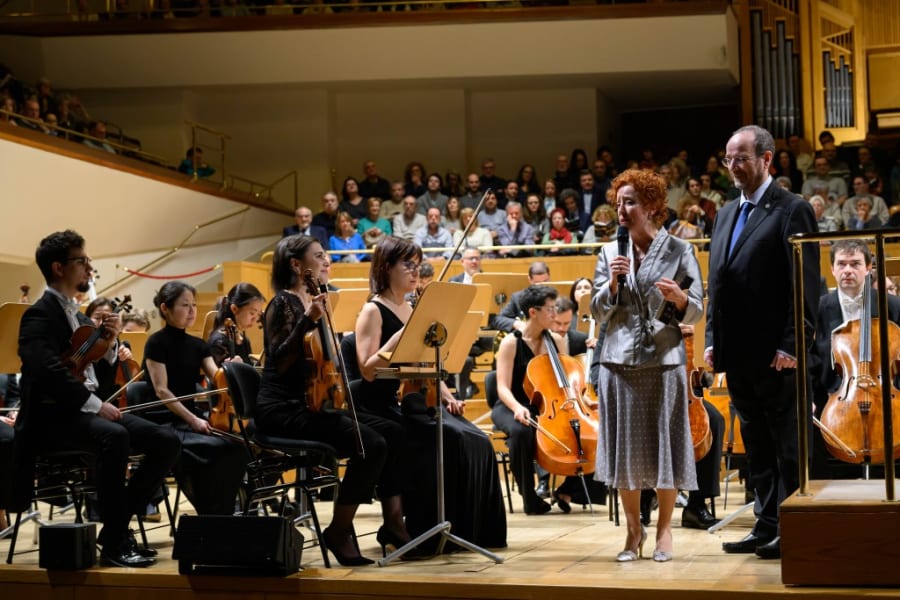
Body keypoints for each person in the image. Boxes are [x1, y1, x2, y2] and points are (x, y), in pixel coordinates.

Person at [16, 230, 180, 567]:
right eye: (82, 261)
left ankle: (114, 530)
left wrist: (108, 346)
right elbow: (47, 372)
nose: (89, 268)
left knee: (166, 440)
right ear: (59, 267)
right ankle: (117, 541)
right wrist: (95, 405)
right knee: (114, 436)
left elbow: (96, 379)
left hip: (81, 415)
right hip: (49, 421)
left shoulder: (78, 316)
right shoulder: (38, 315)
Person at [254, 235, 413, 565]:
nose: (326, 260)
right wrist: (308, 319)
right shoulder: (283, 303)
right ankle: (339, 530)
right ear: (296, 265)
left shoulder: (315, 301)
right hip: (283, 409)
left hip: (314, 404)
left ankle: (394, 523)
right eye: (318, 256)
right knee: (372, 444)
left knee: (394, 432)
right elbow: (278, 360)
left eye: (325, 255)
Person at [705, 125, 819, 560]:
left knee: (787, 447)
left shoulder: (792, 209)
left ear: (766, 159)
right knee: (757, 448)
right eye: (728, 159)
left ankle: (793, 529)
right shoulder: (726, 213)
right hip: (738, 354)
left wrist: (793, 343)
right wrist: (713, 338)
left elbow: (804, 283)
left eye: (741, 158)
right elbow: (718, 284)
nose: (733, 166)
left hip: (777, 355)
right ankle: (766, 524)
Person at [354, 236, 506, 554]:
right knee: (452, 440)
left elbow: (424, 362)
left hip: (414, 402)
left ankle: (468, 531)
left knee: (478, 439)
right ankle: (424, 526)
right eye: (407, 265)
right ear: (386, 267)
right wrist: (398, 338)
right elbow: (367, 370)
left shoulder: (411, 307)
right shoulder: (372, 310)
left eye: (417, 264)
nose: (415, 271)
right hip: (382, 406)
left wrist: (447, 394)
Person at [592, 168, 704, 563]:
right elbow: (595, 312)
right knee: (626, 452)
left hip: (664, 361)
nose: (621, 210)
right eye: (618, 202)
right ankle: (632, 530)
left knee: (666, 447)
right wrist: (611, 286)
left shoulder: (680, 250)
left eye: (630, 202)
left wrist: (679, 300)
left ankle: (664, 531)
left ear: (653, 206)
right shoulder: (609, 253)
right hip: (618, 362)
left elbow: (698, 308)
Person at [142, 281, 248, 516]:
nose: (192, 311)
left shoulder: (198, 345)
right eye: (184, 305)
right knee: (212, 449)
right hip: (164, 419)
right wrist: (193, 420)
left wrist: (232, 369)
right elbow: (162, 391)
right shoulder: (156, 342)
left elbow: (218, 379)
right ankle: (210, 512)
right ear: (165, 308)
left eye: (194, 305)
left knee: (237, 448)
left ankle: (223, 511)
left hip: (190, 418)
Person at [493, 285, 589, 515]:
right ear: (533, 312)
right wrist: (517, 408)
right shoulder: (510, 343)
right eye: (550, 309)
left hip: (545, 405)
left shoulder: (556, 340)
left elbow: (566, 380)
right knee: (521, 432)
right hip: (511, 405)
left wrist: (582, 401)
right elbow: (502, 387)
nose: (555, 313)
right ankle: (529, 496)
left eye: (555, 307)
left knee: (583, 430)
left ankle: (568, 490)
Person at [809, 240, 900, 479]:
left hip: (886, 397)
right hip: (832, 400)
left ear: (868, 268)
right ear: (832, 268)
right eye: (842, 264)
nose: (848, 270)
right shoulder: (817, 310)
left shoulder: (892, 306)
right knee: (804, 426)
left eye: (855, 264)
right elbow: (808, 359)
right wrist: (808, 399)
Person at [207, 282, 265, 367]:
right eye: (252, 313)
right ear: (234, 309)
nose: (255, 319)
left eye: (258, 314)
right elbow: (219, 374)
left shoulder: (244, 340)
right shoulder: (219, 341)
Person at [490, 261, 551, 333]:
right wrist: (516, 323)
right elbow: (498, 319)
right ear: (530, 280)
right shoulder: (518, 298)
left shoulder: (558, 296)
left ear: (549, 277)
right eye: (537, 283)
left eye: (545, 282)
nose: (541, 287)